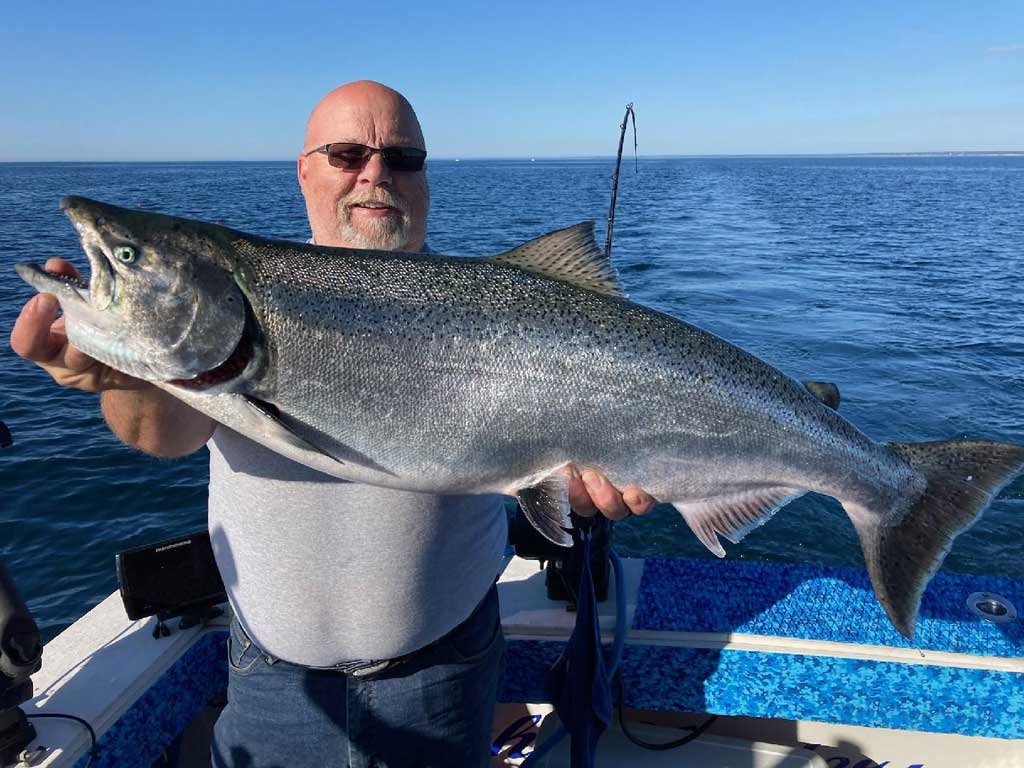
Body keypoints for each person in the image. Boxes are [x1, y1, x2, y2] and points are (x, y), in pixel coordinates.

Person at [10, 80, 655, 767]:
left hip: (448, 672)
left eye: (403, 157)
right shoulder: (249, 300)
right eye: (347, 153)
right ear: (305, 170)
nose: (376, 173)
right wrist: (117, 375)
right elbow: (161, 434)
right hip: (271, 680)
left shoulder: (502, 310)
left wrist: (582, 484)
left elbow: (561, 477)